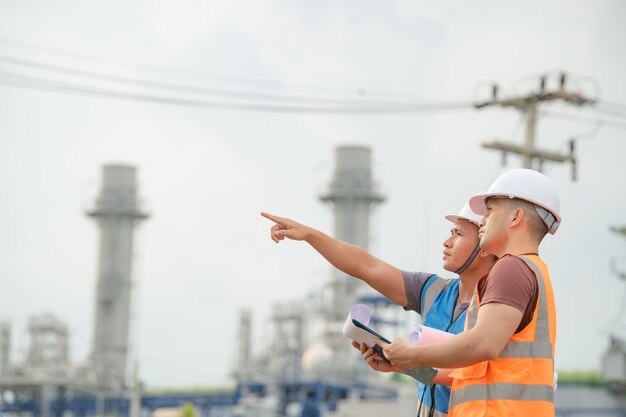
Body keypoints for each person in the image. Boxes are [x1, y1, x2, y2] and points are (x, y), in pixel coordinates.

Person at [261, 203, 497, 417]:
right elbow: (368, 266)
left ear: (485, 246)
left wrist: (408, 363)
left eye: (458, 234)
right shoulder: (434, 291)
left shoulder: (498, 310)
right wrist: (310, 235)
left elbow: (471, 377)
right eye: (450, 233)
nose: (446, 242)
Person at [378, 168, 560, 417]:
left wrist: (413, 354)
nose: (483, 220)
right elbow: (477, 368)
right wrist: (406, 365)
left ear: (516, 217)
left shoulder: (511, 269)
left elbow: (482, 344)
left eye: (491, 211)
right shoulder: (533, 270)